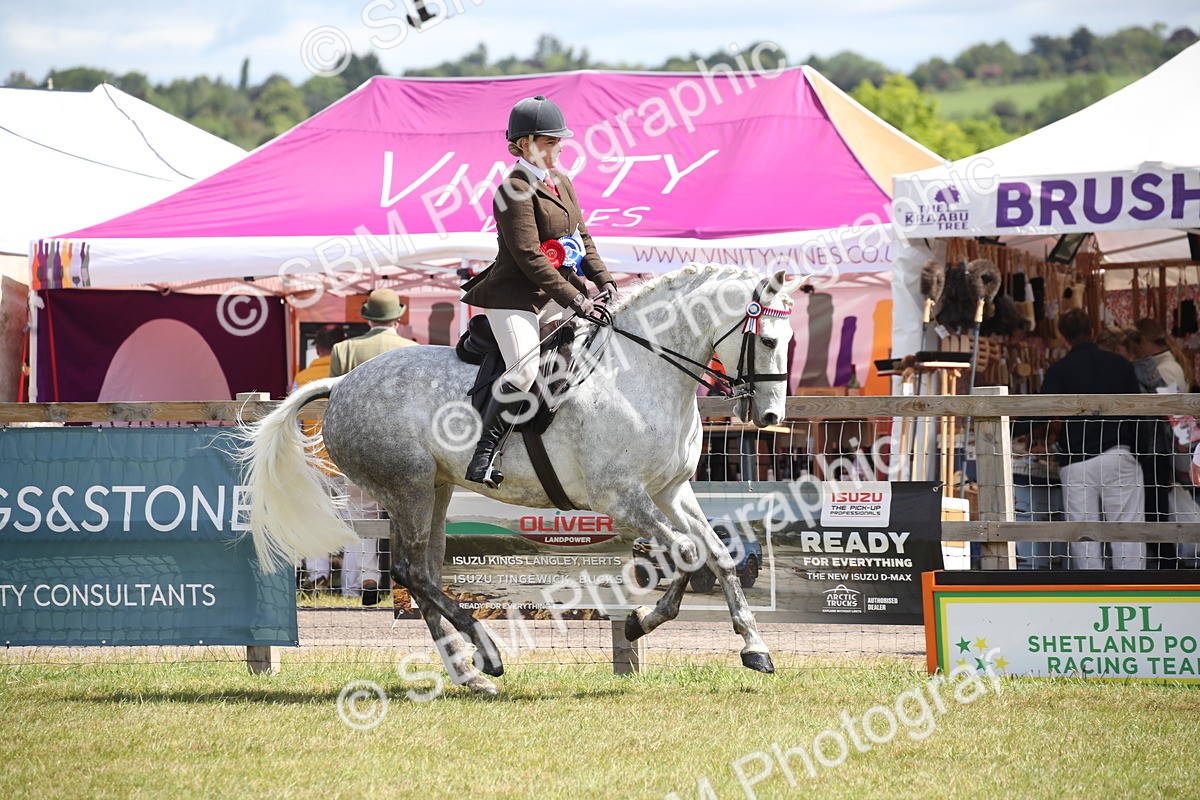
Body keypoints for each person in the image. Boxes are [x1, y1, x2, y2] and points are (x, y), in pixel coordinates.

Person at [460, 94, 616, 488]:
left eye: (558, 141)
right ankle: (484, 454)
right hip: (514, 297)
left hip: (557, 294)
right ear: (524, 144)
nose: (558, 147)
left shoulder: (561, 182)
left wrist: (605, 281)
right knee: (526, 368)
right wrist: (577, 300)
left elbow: (582, 238)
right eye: (550, 142)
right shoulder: (511, 191)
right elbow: (530, 256)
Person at [329, 289, 417, 604]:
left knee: (363, 513)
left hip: (359, 445)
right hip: (404, 445)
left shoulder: (343, 350)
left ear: (368, 317)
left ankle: (368, 576)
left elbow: (334, 403)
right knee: (409, 515)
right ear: (397, 317)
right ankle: (409, 582)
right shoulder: (412, 350)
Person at [1041, 309, 1146, 570]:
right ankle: (1132, 588)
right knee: (1127, 532)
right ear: (1092, 330)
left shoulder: (1059, 370)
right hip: (1117, 454)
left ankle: (1090, 591)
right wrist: (1141, 454)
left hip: (1076, 462)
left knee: (1083, 536)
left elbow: (1041, 412)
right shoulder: (1120, 365)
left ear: (1063, 337)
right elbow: (1140, 413)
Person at [291, 326, 346, 594]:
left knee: (315, 520)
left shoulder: (303, 377)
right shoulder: (350, 375)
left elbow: (292, 422)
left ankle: (317, 575)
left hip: (314, 463)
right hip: (348, 463)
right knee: (356, 526)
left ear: (317, 348)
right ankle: (354, 586)